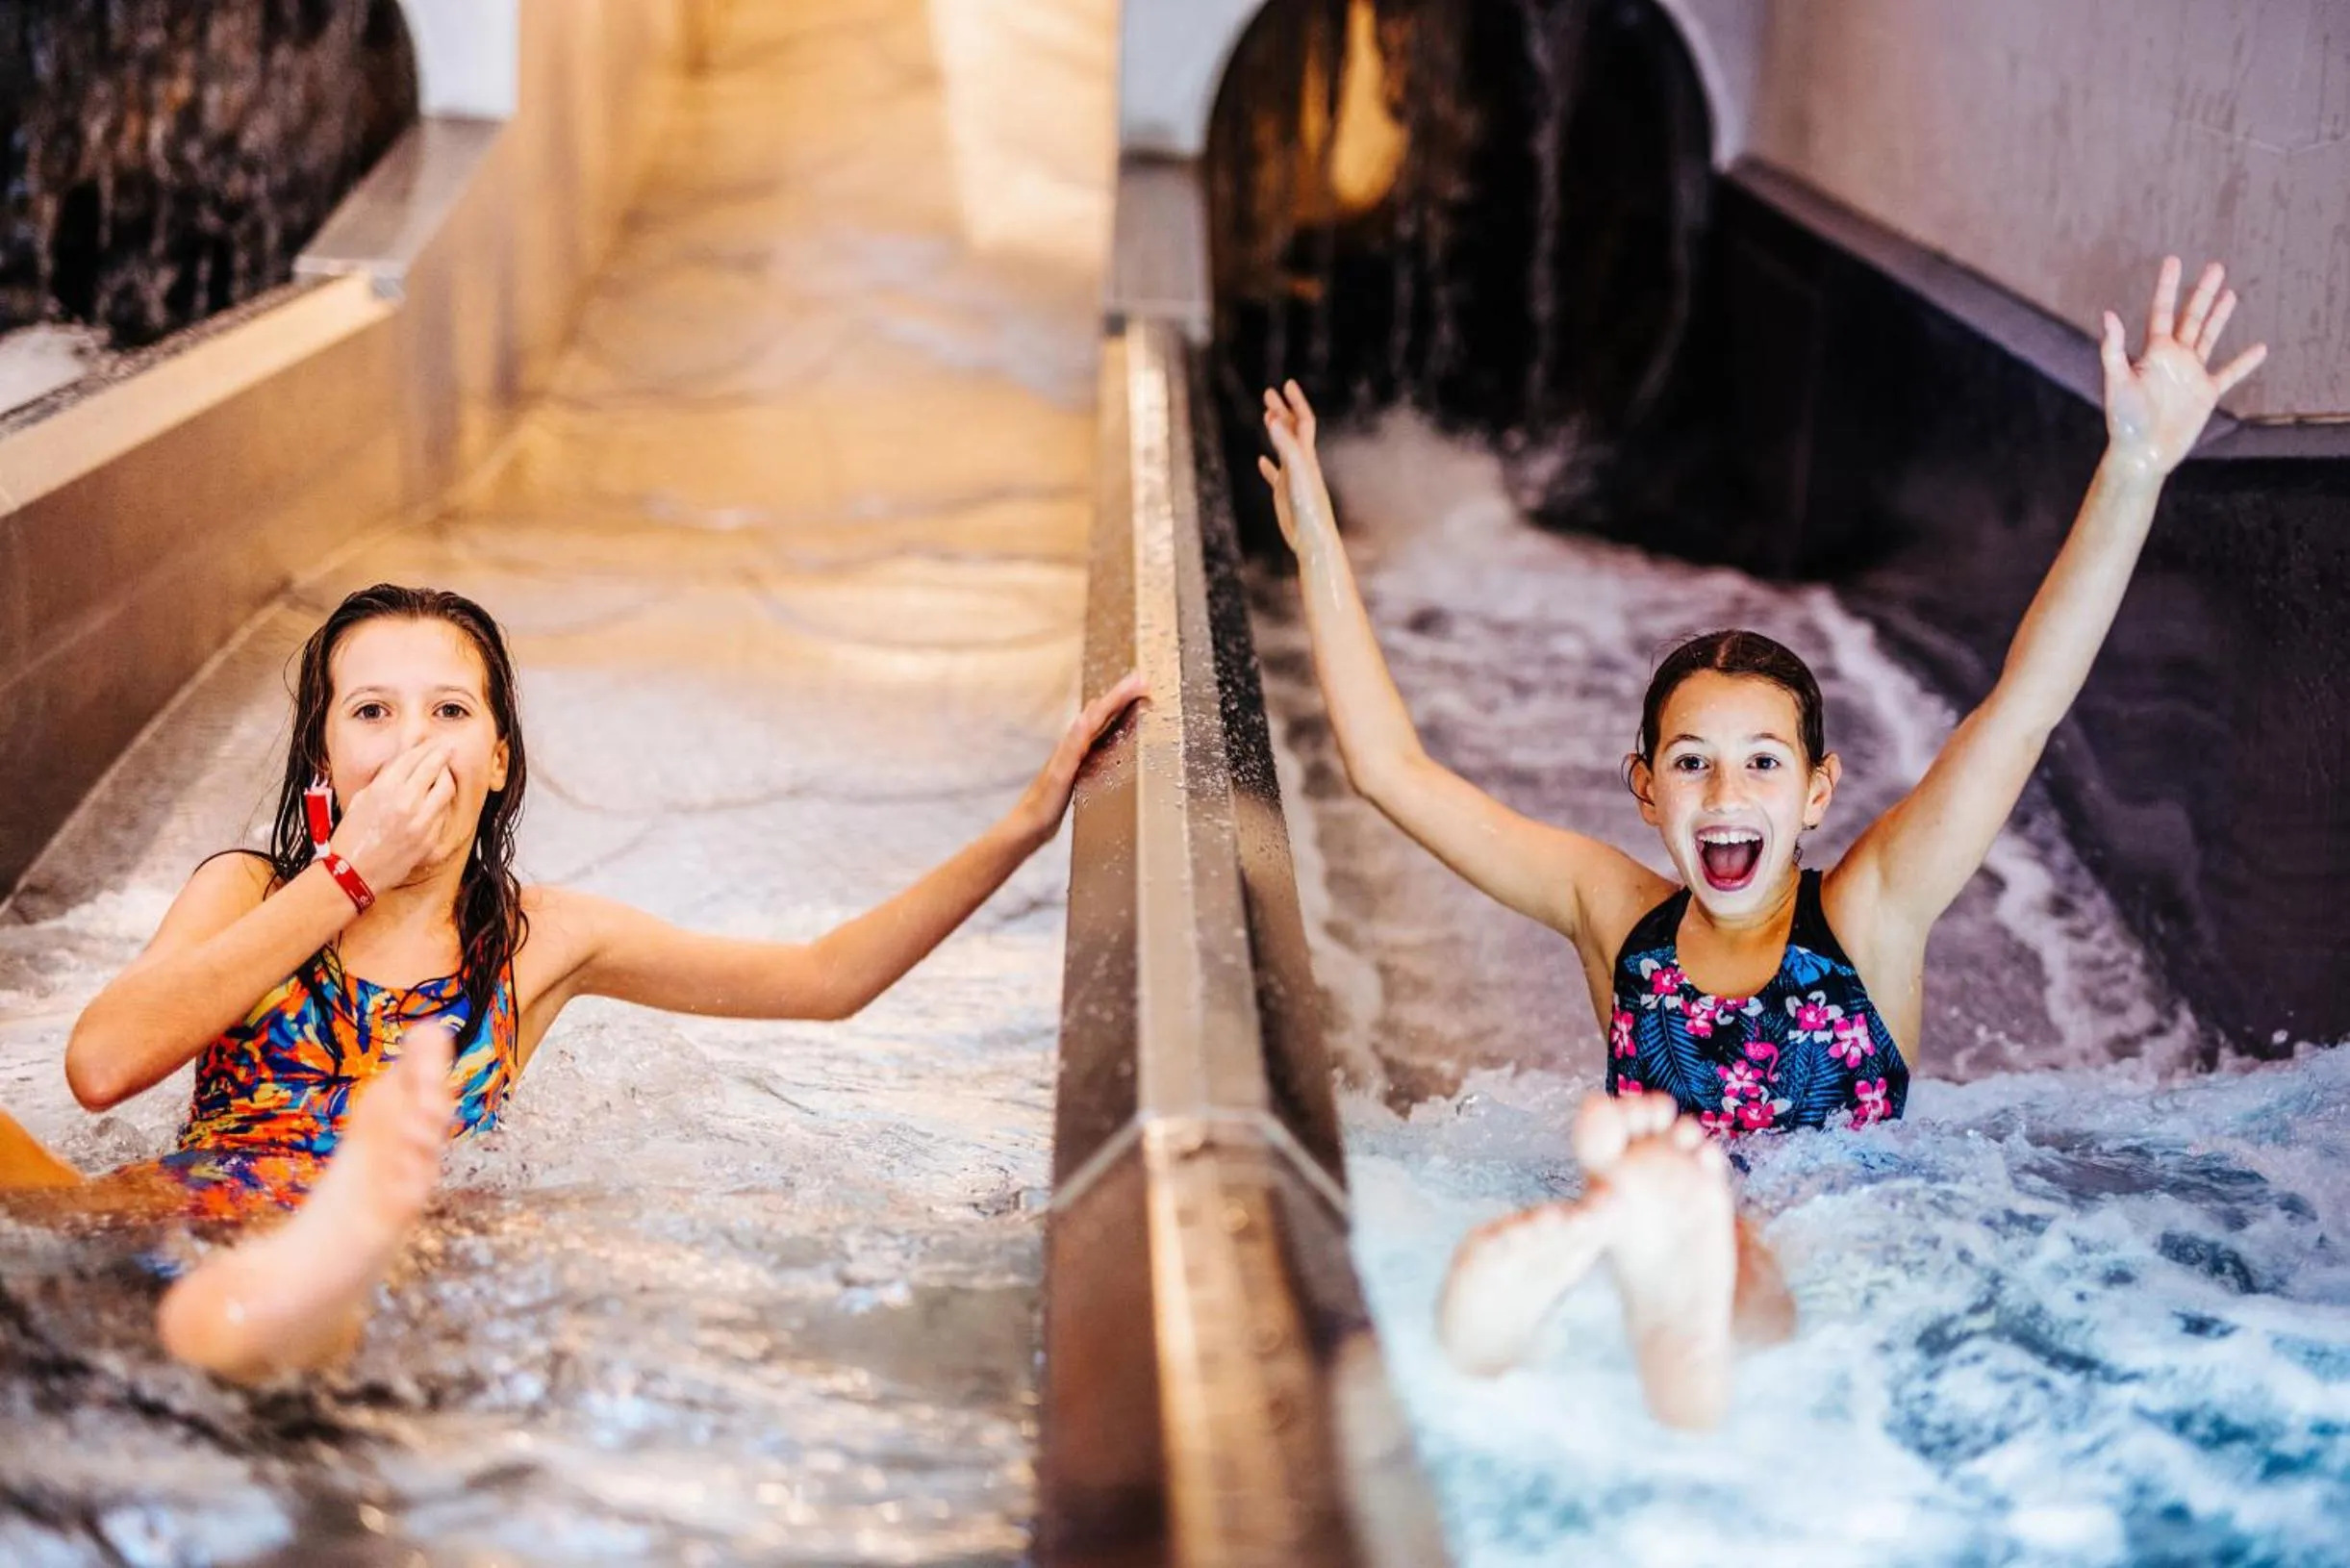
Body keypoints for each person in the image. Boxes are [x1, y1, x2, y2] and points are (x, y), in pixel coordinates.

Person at [1254, 257, 2265, 1428]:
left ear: (1817, 792)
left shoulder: (1872, 911)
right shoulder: (1612, 911)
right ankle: (1640, 1262)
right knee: (1613, 1304)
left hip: (1838, 1245)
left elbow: (2020, 709)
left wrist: (2133, 466)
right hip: (1721, 1237)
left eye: (1762, 763)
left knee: (1741, 1271)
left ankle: (1646, 1256)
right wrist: (1319, 544)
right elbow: (1392, 774)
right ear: (1644, 789)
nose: (1724, 789)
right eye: (1690, 761)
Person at [0, 583, 1145, 1381]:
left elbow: (823, 977)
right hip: (172, 1221)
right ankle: (299, 1263)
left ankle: (329, 1253)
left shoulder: (538, 940)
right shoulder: (251, 892)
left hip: (375, 1283)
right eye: (371, 712)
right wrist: (346, 873)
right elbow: (101, 1065)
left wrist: (1026, 825)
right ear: (322, 758)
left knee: (256, 1313)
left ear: (497, 761)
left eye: (450, 711)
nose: (411, 742)